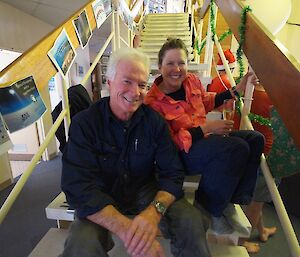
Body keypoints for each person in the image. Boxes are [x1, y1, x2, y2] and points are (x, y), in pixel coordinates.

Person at [60, 47, 210, 257]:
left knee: (191, 220)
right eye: (127, 81)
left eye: (142, 85)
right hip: (100, 196)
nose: (136, 92)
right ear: (109, 83)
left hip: (145, 191)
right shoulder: (85, 123)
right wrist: (130, 231)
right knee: (81, 243)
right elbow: (77, 185)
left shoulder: (154, 122)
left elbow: (172, 174)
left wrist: (154, 212)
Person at [144, 38, 265, 236]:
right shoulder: (152, 102)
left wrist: (238, 89)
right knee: (236, 147)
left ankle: (229, 202)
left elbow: (206, 101)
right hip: (179, 155)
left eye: (181, 63)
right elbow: (167, 144)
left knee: (255, 139)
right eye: (170, 63)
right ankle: (209, 208)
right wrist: (206, 129)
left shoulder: (191, 81)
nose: (177, 69)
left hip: (203, 141)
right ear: (159, 67)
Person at [233, 80, 277, 252]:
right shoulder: (272, 96)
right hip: (264, 156)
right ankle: (241, 242)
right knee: (256, 202)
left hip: (249, 149)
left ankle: (262, 230)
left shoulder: (248, 89)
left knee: (260, 199)